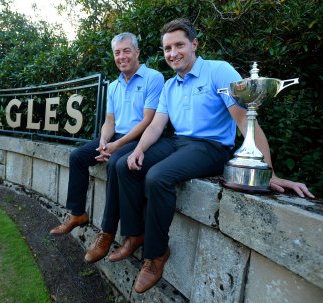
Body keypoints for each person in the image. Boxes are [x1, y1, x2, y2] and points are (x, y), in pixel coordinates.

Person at [114, 18, 315, 294]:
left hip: (210, 147)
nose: (173, 53)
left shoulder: (217, 71)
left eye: (179, 45)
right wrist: (138, 150)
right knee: (125, 166)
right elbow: (157, 125)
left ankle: (156, 254)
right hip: (178, 142)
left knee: (157, 177)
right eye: (167, 48)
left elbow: (246, 121)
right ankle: (135, 233)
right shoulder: (171, 86)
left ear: (194, 44)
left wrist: (269, 171)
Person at [49, 32, 165, 264]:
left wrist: (116, 145)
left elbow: (148, 121)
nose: (121, 56)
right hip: (117, 137)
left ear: (137, 52)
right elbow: (110, 121)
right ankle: (77, 213)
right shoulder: (113, 86)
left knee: (114, 163)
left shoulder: (154, 78)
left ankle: (107, 232)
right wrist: (103, 141)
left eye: (126, 51)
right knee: (78, 156)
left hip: (140, 138)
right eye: (117, 52)